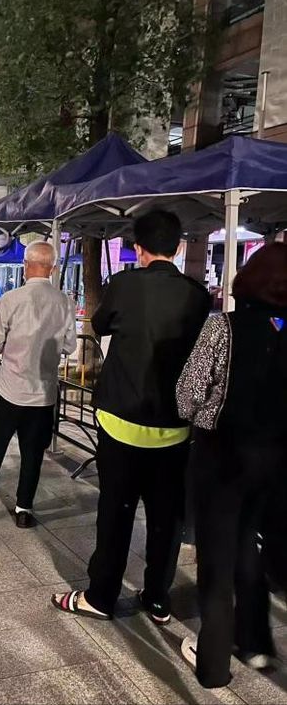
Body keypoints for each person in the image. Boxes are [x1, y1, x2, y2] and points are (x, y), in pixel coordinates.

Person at [51, 210, 210, 624]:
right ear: (178, 247)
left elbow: (100, 325)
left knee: (116, 512)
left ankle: (101, 596)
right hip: (174, 427)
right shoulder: (197, 295)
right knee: (165, 517)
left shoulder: (123, 285)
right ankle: (157, 597)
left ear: (138, 249)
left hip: (119, 420)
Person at [176, 243, 287, 688]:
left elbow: (188, 395)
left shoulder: (223, 326)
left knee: (218, 558)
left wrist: (205, 415)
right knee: (248, 546)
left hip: (223, 457)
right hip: (276, 461)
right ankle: (256, 644)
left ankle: (213, 663)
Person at [0, 241, 77, 528]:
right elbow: (69, 346)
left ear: (25, 265)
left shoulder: (11, 299)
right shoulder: (64, 302)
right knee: (33, 454)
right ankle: (24, 509)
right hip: (43, 393)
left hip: (9, 389)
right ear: (53, 268)